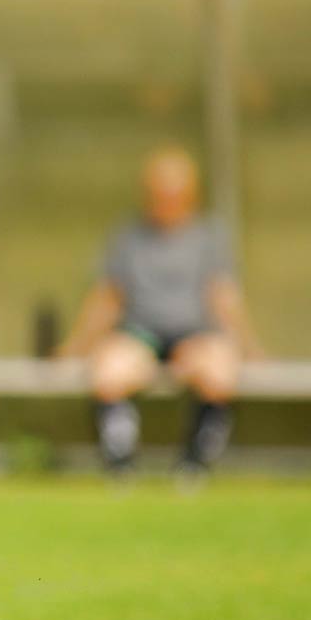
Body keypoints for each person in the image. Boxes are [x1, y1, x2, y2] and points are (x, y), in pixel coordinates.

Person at [55, 145, 263, 474]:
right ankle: (120, 460)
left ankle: (194, 463)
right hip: (141, 335)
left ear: (190, 194)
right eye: (158, 192)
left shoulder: (208, 238)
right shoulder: (128, 237)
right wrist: (77, 347)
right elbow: (108, 298)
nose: (166, 200)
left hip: (193, 336)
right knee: (109, 371)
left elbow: (223, 298)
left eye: (174, 192)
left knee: (219, 372)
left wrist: (250, 350)